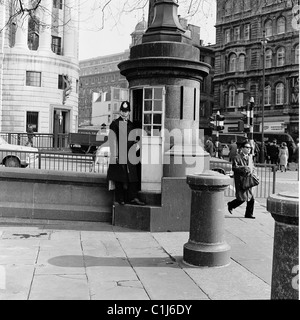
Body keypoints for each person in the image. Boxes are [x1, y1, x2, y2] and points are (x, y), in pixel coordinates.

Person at [107, 101, 145, 206]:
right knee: (119, 177)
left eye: (126, 111)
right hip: (120, 154)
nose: (124, 113)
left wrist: (137, 145)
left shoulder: (131, 124)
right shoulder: (114, 124)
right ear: (120, 111)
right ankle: (121, 199)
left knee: (132, 177)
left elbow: (136, 138)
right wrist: (115, 154)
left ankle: (132, 197)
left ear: (129, 112)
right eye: (123, 111)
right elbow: (112, 140)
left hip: (130, 154)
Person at [227, 140, 256, 219]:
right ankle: (231, 204)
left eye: (249, 148)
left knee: (251, 198)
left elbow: (253, 167)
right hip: (241, 180)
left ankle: (248, 214)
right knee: (242, 198)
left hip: (249, 180)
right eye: (246, 147)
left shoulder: (250, 158)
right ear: (242, 148)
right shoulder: (237, 157)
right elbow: (234, 168)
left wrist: (254, 173)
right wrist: (243, 168)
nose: (248, 149)